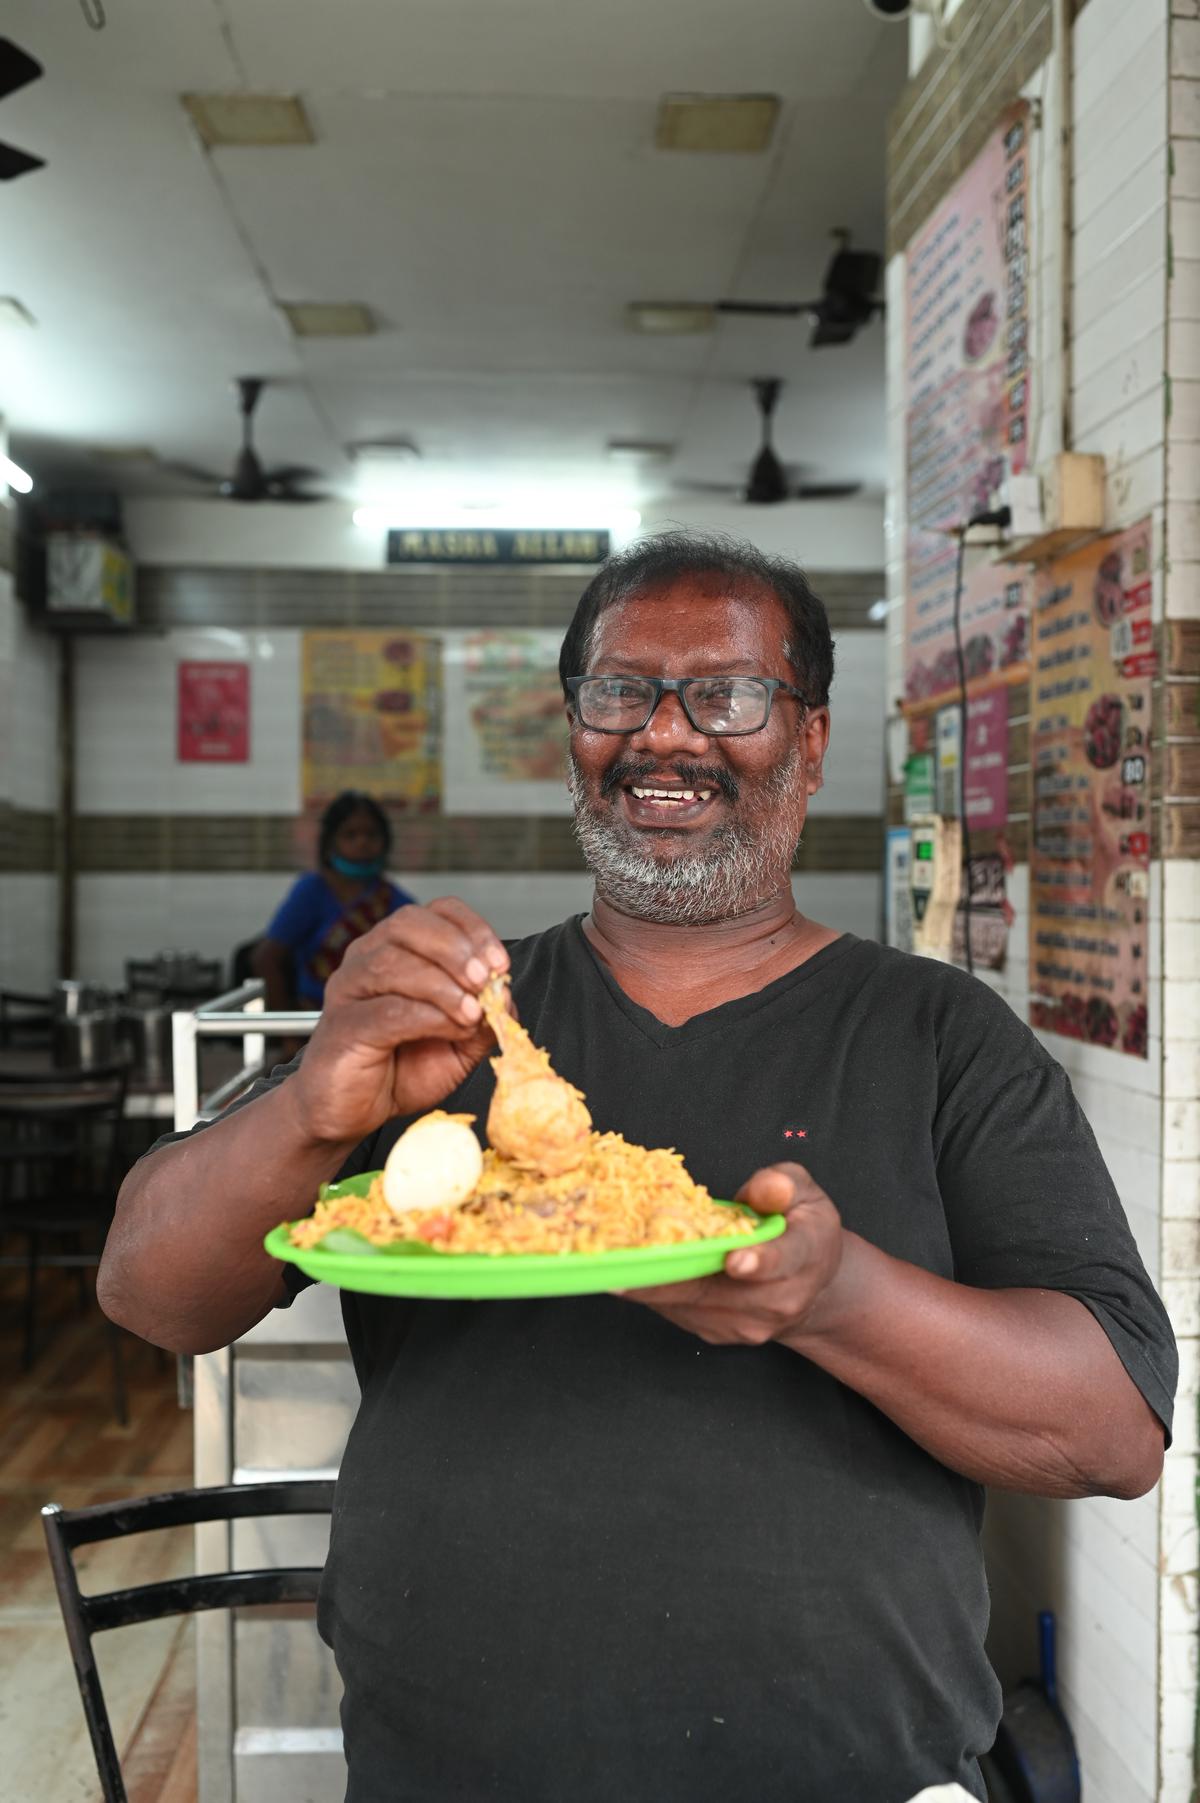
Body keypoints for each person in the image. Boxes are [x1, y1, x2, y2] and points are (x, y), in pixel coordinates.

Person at [99, 533, 1175, 1803]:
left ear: (811, 742)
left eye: (726, 693)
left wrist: (839, 1302)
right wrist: (311, 1119)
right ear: (575, 733)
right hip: (447, 1770)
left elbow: (1115, 1429)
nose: (666, 735)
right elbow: (148, 1292)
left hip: (853, 1774)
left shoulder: (937, 1038)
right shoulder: (452, 1023)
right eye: (621, 692)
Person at [253, 791, 415, 1011]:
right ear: (331, 843)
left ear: (385, 842)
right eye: (350, 835)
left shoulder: (396, 901)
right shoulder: (311, 892)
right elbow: (266, 959)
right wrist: (287, 1034)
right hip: (315, 1021)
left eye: (371, 834)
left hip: (377, 1020)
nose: (362, 843)